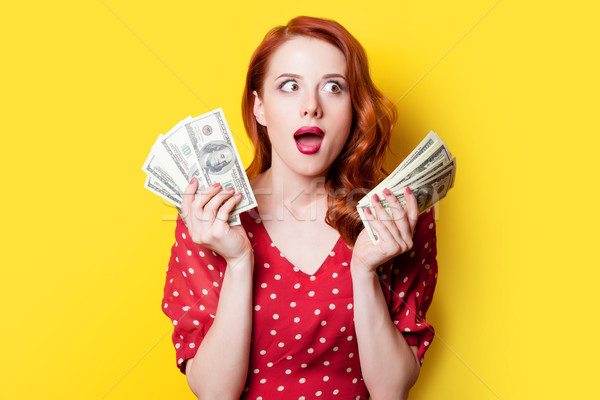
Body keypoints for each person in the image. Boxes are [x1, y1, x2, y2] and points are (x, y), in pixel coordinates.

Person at [162, 16, 438, 400]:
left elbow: (392, 391)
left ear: (355, 109)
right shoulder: (209, 218)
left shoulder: (396, 217)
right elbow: (213, 393)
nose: (312, 107)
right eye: (289, 86)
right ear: (259, 107)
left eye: (334, 87)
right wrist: (240, 261)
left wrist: (364, 271)